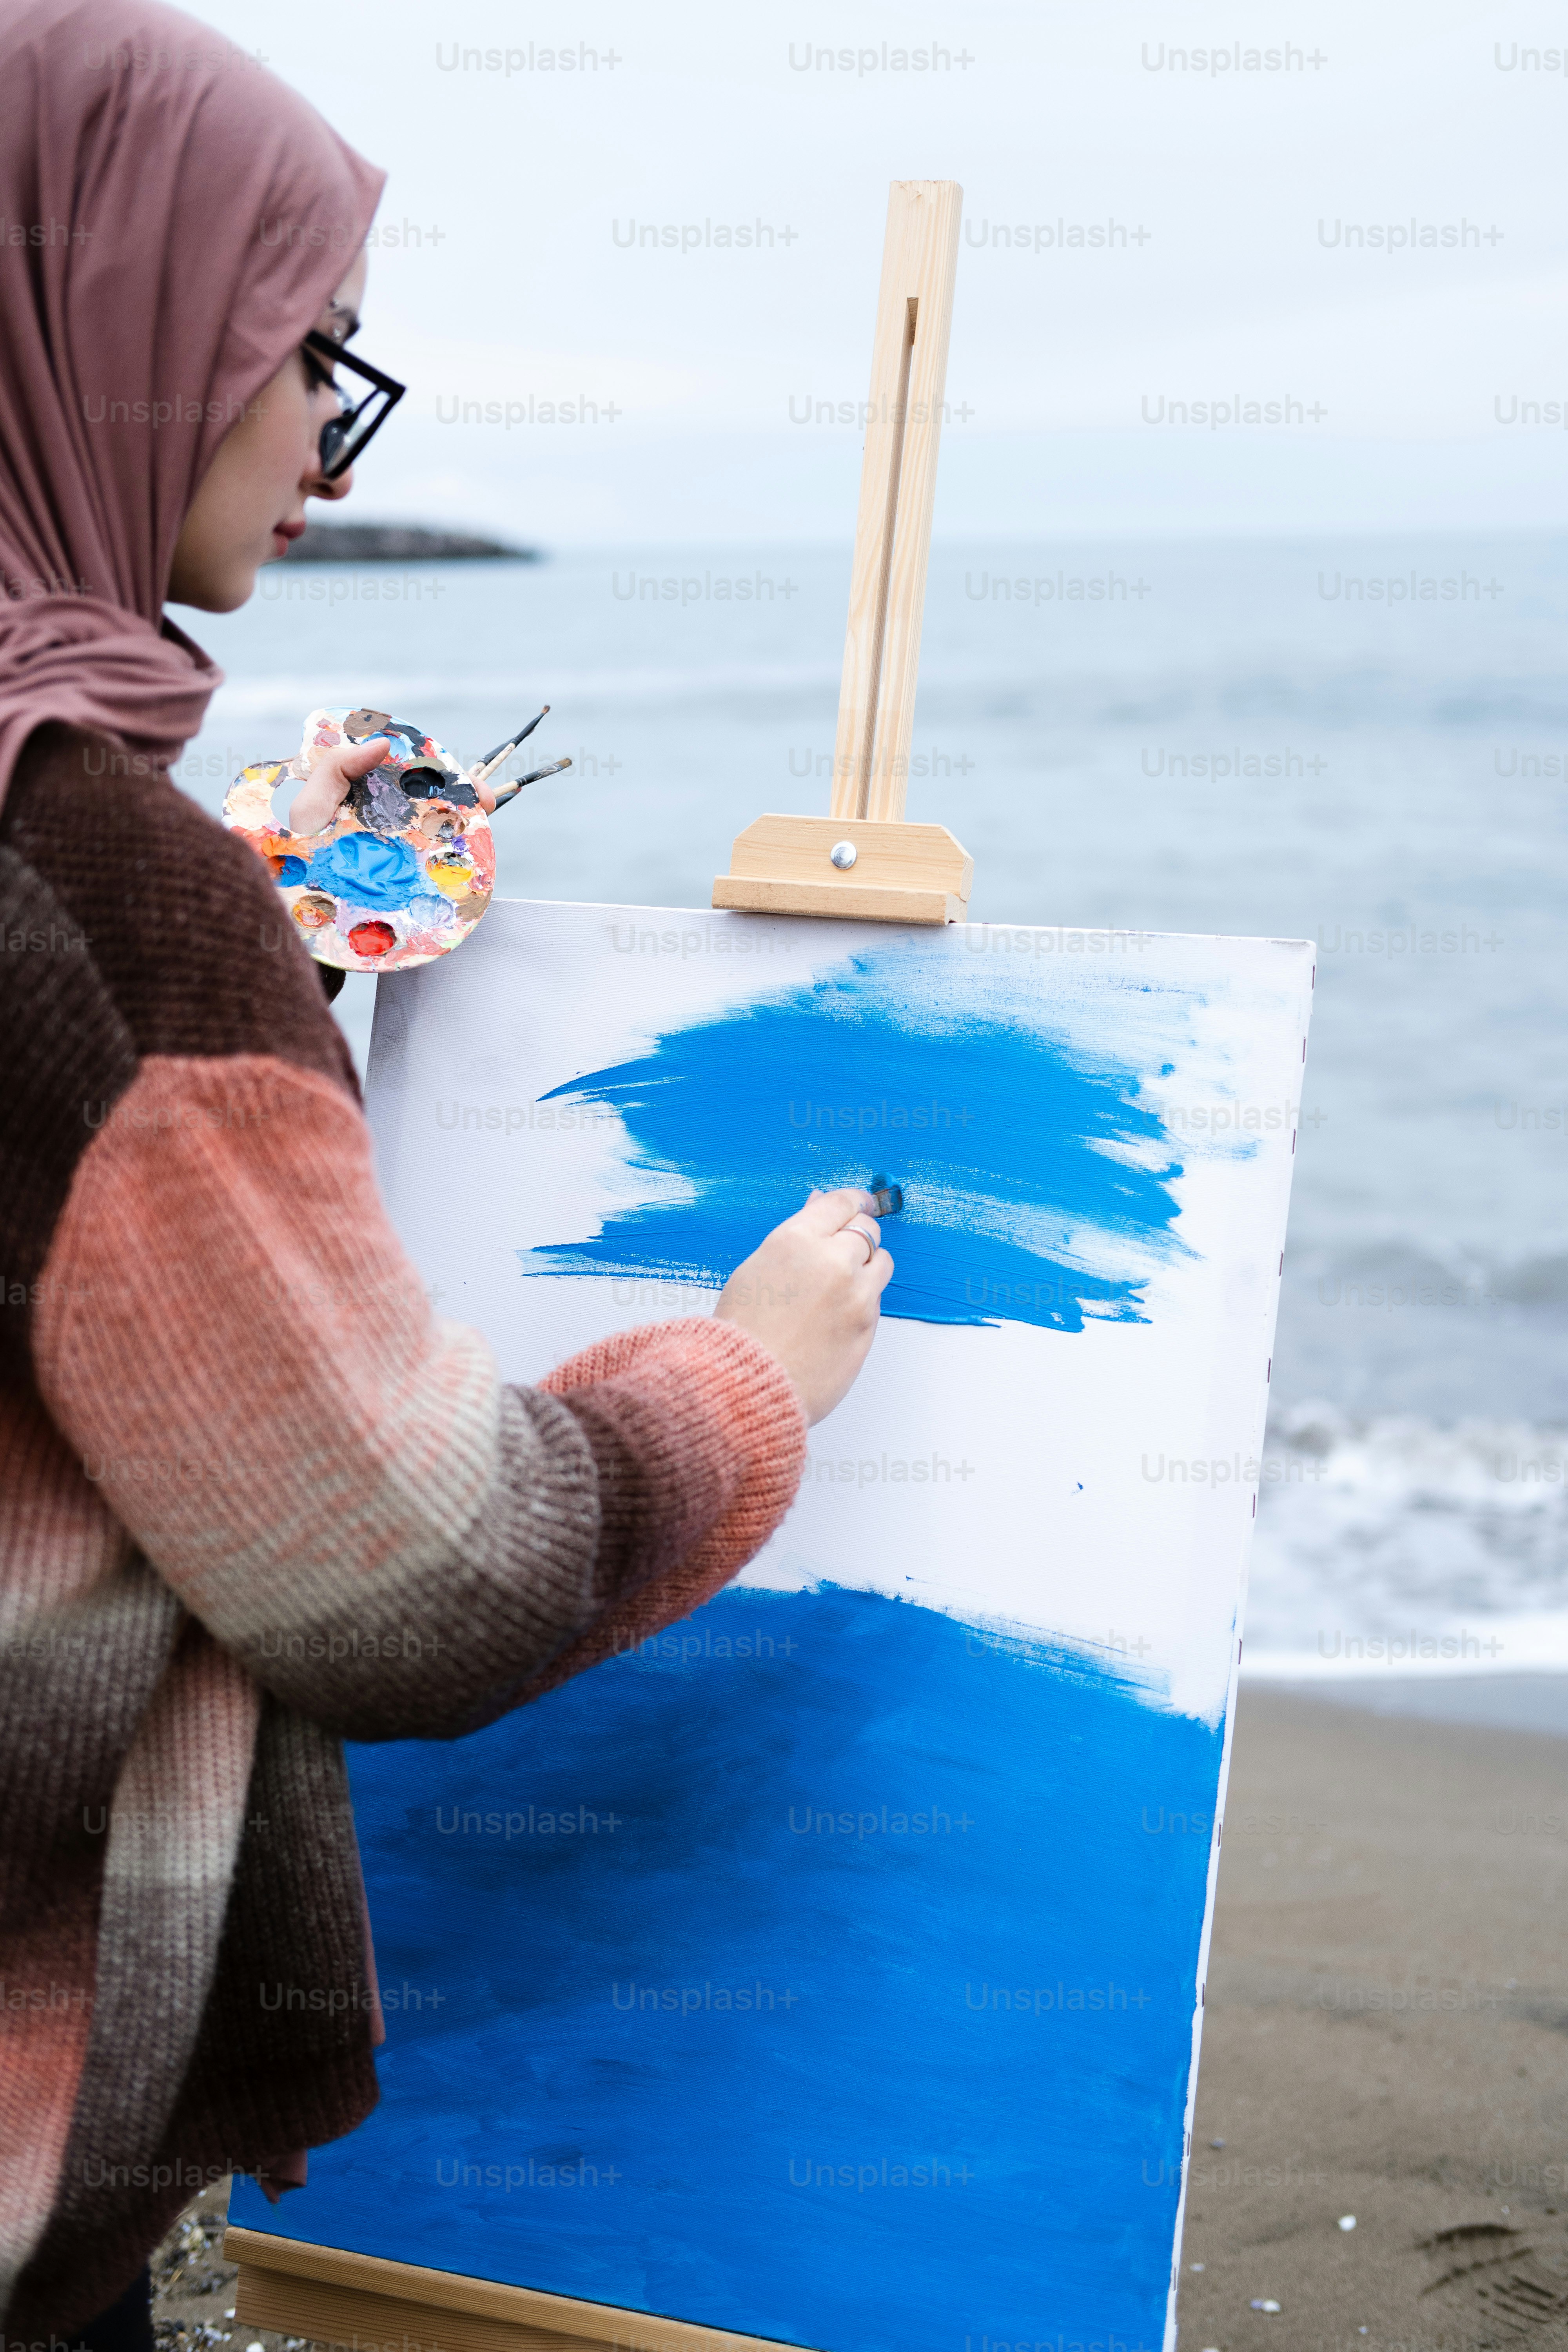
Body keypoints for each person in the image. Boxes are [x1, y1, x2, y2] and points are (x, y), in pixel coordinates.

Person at [0, 5, 893, 2344]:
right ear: (114, 318)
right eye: (304, 346)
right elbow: (415, 1577)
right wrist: (742, 1375)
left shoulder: (114, 904)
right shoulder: (96, 887)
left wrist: (211, 1021)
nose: (325, 429)